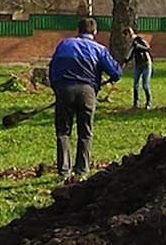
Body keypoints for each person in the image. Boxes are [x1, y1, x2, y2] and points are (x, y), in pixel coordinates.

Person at [49, 18, 122, 183]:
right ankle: (81, 170)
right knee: (85, 132)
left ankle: (64, 171)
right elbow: (116, 73)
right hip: (87, 91)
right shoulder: (99, 49)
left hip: (64, 89)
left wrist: (57, 88)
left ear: (78, 30)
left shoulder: (64, 44)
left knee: (63, 132)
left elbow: (52, 68)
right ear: (94, 32)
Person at [123, 27, 153, 109]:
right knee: (135, 84)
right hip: (138, 65)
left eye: (126, 35)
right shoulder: (132, 43)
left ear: (129, 34)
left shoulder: (138, 39)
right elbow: (131, 53)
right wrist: (126, 60)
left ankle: (148, 103)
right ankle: (136, 103)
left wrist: (139, 46)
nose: (125, 38)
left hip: (146, 63)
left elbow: (147, 47)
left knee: (145, 85)